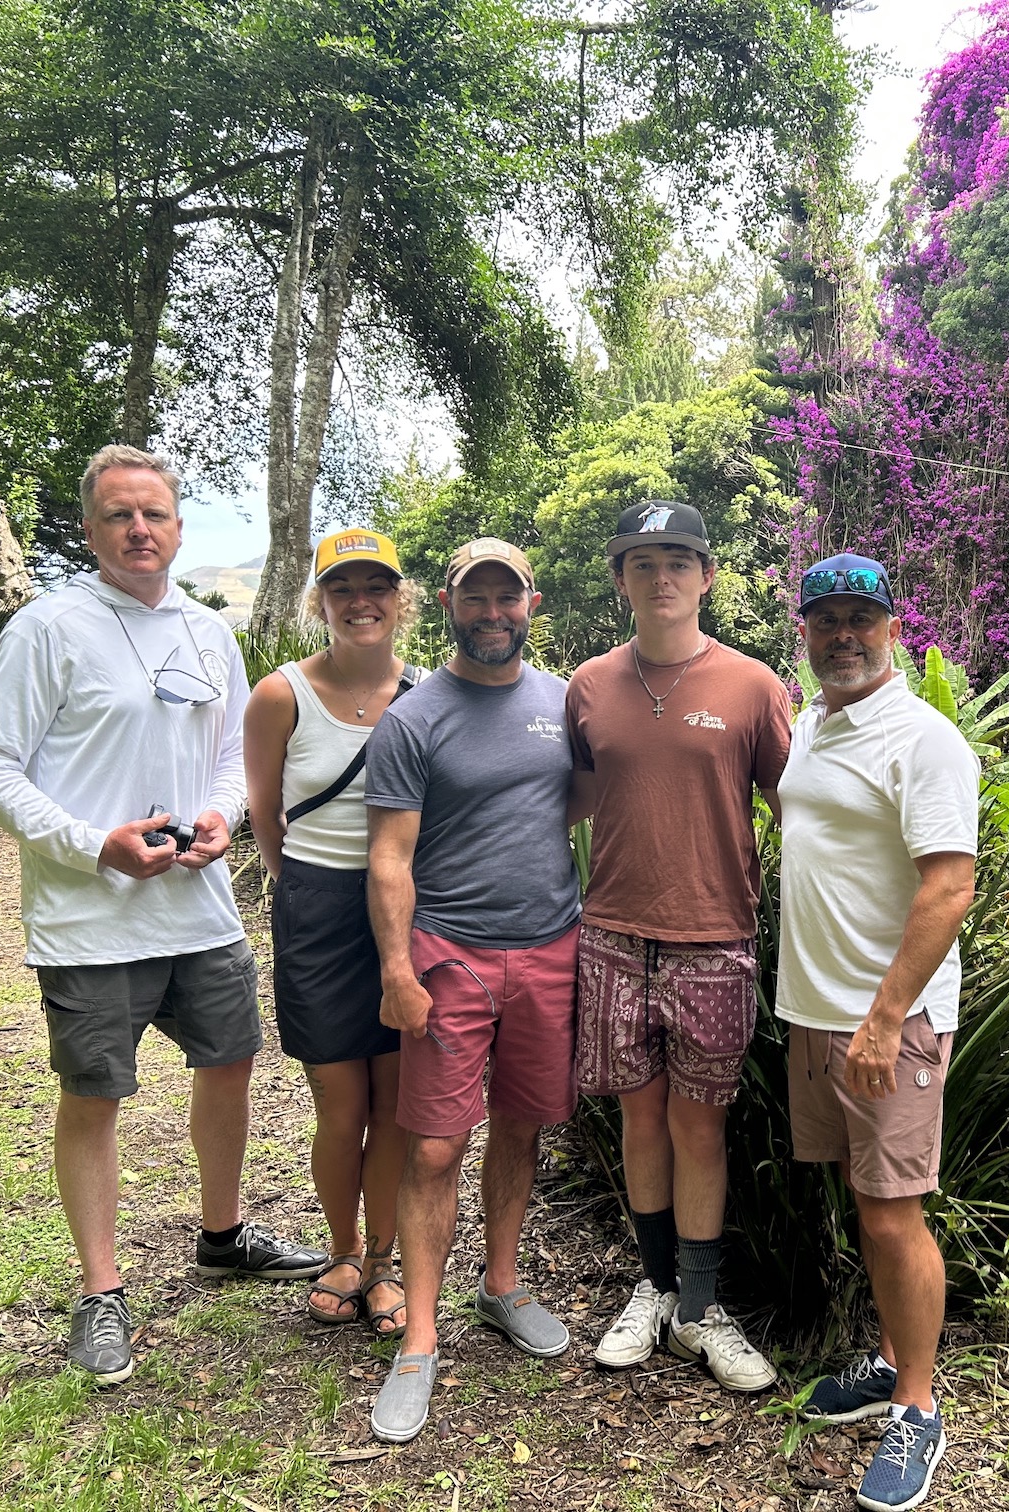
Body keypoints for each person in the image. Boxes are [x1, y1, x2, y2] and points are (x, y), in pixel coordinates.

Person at [0, 444, 327, 1388]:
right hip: (90, 916)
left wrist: (222, 818)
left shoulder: (209, 633)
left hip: (198, 912)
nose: (138, 530)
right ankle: (101, 1291)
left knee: (230, 1065)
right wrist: (92, 843)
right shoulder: (48, 628)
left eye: (154, 513)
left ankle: (222, 1233)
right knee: (95, 1096)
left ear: (177, 524)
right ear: (90, 529)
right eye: (120, 514)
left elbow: (234, 761)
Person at [362, 538, 583, 1445]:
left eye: (508, 597)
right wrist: (397, 970)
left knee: (522, 1128)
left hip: (549, 953)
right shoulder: (414, 719)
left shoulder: (567, 702)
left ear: (531, 601)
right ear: (447, 602)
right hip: (447, 957)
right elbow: (389, 857)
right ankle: (419, 1339)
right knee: (432, 1150)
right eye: (475, 597)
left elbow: (569, 805)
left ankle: (500, 1285)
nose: (493, 612)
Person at [567, 501, 790, 1391]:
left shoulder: (753, 686)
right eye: (644, 561)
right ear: (622, 580)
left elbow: (801, 808)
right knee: (639, 1115)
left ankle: (700, 1308)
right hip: (614, 935)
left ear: (705, 577)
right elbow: (572, 804)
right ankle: (653, 1287)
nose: (663, 576)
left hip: (715, 939)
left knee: (701, 1125)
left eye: (680, 561)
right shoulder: (587, 685)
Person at [777, 554, 980, 1512]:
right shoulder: (812, 727)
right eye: (828, 619)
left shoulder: (923, 739)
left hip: (884, 1024)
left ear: (895, 629)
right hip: (816, 1014)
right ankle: (892, 1356)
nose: (845, 635)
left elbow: (949, 888)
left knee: (895, 1213)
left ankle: (918, 1410)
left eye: (864, 618)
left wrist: (885, 1018)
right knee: (867, 1203)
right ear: (806, 628)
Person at [245, 528, 428, 1339]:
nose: (362, 602)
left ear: (401, 600)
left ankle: (384, 1262)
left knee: (394, 1105)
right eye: (343, 587)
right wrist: (306, 889)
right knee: (340, 1105)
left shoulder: (426, 695)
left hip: (407, 913)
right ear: (319, 601)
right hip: (317, 910)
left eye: (377, 586)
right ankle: (344, 1249)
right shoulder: (280, 694)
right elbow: (263, 815)